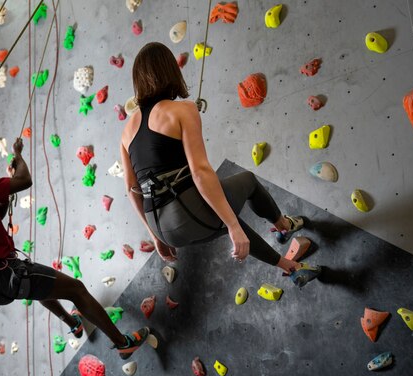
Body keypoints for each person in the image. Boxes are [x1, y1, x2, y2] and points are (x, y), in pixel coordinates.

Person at [119, 42, 322, 287]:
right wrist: (233, 225)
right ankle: (284, 225)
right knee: (246, 183)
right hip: (187, 213)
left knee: (219, 214)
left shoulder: (126, 131)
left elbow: (132, 191)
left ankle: (291, 267)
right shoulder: (181, 110)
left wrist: (156, 237)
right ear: (170, 70)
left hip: (164, 230)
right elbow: (200, 171)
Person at [0, 137, 149, 359]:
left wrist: (4, 196)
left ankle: (74, 323)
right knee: (76, 289)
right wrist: (18, 155)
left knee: (34, 282)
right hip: (1, 275)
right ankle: (122, 343)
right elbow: (25, 180)